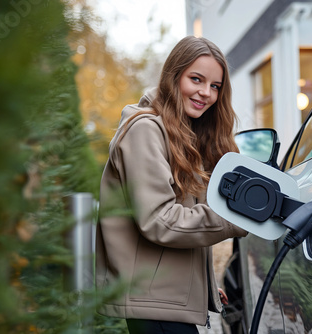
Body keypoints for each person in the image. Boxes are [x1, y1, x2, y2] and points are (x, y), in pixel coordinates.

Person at [95, 36, 248, 334]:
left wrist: (201, 286)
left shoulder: (180, 134)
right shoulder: (145, 130)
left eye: (215, 86)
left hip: (164, 299)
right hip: (153, 303)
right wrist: (235, 216)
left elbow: (184, 214)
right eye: (196, 79)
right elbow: (160, 221)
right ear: (173, 76)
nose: (206, 93)